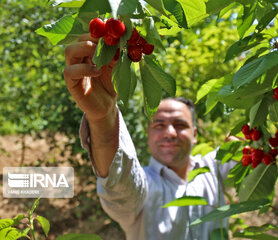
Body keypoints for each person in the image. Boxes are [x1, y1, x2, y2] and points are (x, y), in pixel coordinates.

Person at [64, 33, 235, 240]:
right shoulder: (144, 186)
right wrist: (102, 118)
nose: (170, 133)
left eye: (180, 125)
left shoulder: (212, 170)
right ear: (148, 134)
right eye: (159, 125)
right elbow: (120, 186)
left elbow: (242, 156)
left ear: (195, 134)